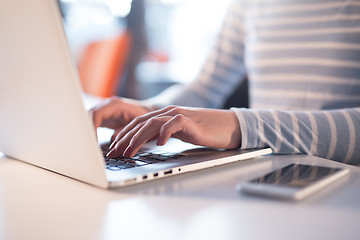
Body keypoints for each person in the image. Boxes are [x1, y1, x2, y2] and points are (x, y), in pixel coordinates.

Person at [90, 0, 360, 165]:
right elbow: (206, 87)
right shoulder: (248, 3)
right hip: (267, 175)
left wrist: (243, 126)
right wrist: (151, 113)